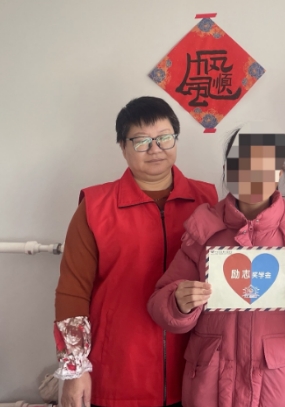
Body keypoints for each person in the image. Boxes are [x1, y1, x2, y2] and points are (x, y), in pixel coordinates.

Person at [147, 129, 285, 407]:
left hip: (279, 388)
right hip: (210, 386)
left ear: (278, 173)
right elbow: (159, 304)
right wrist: (178, 303)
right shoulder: (204, 229)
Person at [54, 96, 218, 407]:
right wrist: (75, 369)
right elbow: (72, 293)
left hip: (192, 369)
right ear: (123, 146)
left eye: (164, 137)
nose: (155, 149)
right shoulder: (95, 207)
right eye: (141, 141)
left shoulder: (206, 200)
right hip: (117, 371)